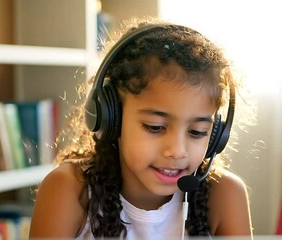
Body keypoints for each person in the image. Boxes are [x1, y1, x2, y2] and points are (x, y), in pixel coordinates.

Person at [29, 17, 253, 239]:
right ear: (111, 119)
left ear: (215, 137)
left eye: (196, 132)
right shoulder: (69, 190)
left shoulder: (225, 195)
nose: (176, 150)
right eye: (155, 127)